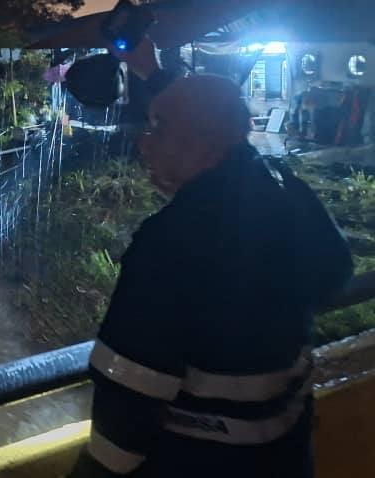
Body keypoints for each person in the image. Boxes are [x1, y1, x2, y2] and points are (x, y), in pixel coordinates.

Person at [70, 40, 354, 478]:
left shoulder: (171, 239)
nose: (144, 145)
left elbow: (128, 398)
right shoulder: (287, 195)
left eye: (156, 128)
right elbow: (336, 273)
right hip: (285, 456)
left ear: (199, 142)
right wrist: (155, 72)